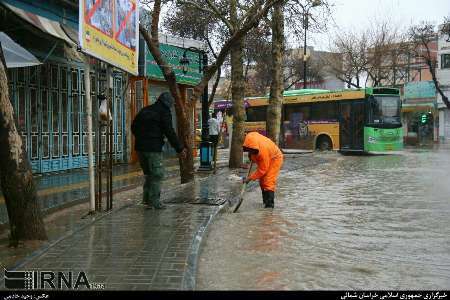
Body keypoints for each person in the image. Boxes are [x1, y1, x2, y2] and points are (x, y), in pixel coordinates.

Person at [131, 92, 187, 209]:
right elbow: (169, 131)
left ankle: (146, 200)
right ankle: (154, 203)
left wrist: (141, 138)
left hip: (140, 148)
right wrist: (179, 148)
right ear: (167, 103)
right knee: (157, 174)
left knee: (148, 174)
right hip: (153, 148)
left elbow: (133, 126)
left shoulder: (145, 110)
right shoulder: (164, 112)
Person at [242, 132, 284, 208]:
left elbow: (262, 170)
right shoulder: (250, 138)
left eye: (251, 151)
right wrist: (250, 155)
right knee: (262, 181)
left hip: (275, 158)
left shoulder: (262, 152)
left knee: (268, 180)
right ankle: (265, 201)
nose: (250, 152)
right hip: (268, 155)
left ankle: (269, 206)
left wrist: (250, 178)